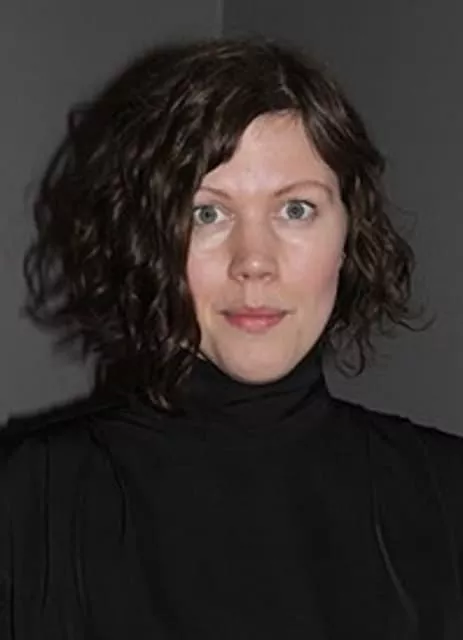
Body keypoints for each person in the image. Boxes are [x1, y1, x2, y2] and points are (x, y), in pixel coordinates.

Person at [0, 37, 462, 640]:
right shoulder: (26, 502)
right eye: (207, 213)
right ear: (152, 241)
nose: (254, 263)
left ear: (349, 235)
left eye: (295, 209)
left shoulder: (446, 492)